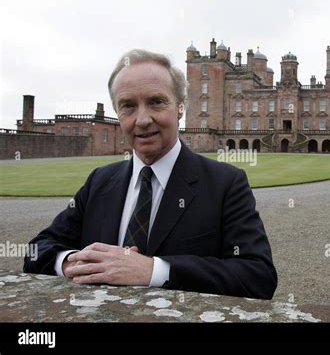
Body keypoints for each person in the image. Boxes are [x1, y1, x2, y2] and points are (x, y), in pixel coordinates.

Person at [23, 49, 277, 300]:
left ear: (180, 107)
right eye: (128, 106)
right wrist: (70, 263)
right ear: (118, 113)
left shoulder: (225, 183)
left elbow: (258, 277)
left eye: (156, 102)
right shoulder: (100, 181)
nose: (142, 120)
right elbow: (37, 249)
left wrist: (155, 270)